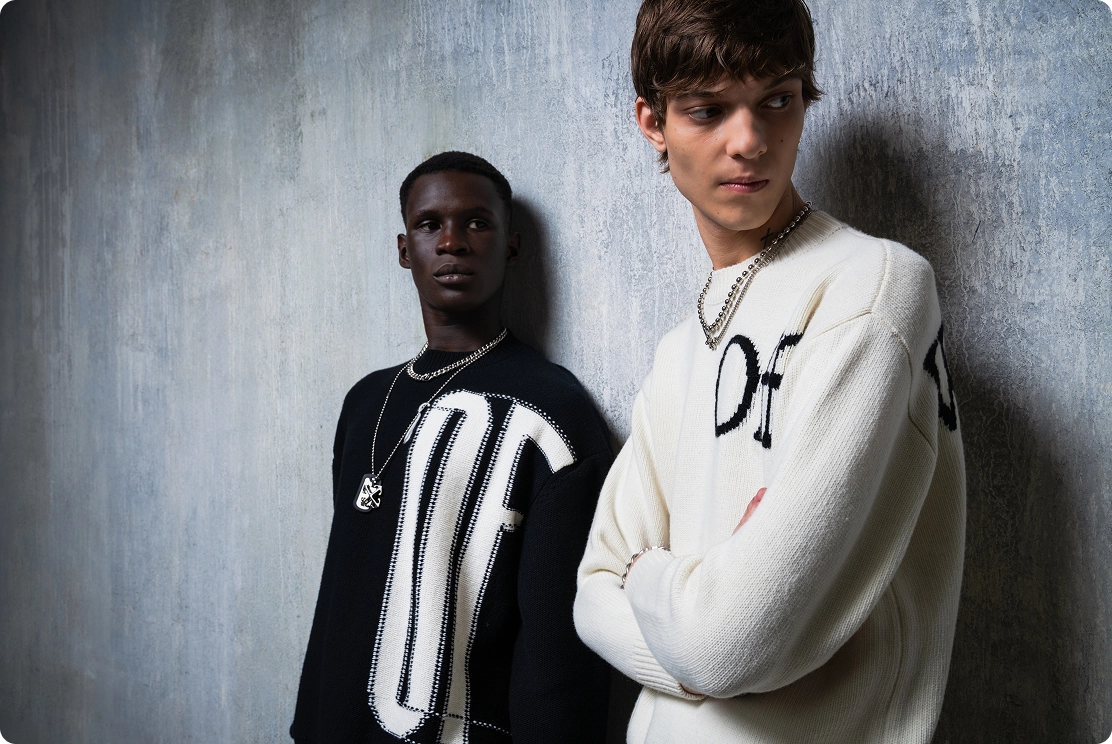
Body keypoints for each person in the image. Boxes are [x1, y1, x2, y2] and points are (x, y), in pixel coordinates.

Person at [573, 1, 966, 742]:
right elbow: (591, 596)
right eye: (708, 110)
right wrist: (704, 614)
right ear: (652, 122)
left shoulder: (873, 289)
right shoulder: (678, 351)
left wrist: (652, 576)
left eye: (776, 101)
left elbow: (727, 644)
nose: (749, 141)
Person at [291, 151, 611, 744]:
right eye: (430, 224)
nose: (453, 243)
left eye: (477, 223)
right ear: (403, 249)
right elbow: (342, 590)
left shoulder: (551, 409)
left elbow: (558, 648)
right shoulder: (365, 402)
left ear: (511, 247)